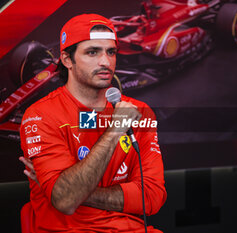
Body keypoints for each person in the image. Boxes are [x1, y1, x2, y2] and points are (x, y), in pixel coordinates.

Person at [20, 13, 167, 232]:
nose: (105, 62)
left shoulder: (138, 112)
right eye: (92, 52)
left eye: (111, 52)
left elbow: (152, 198)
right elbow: (66, 203)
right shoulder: (41, 115)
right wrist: (115, 130)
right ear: (67, 59)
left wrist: (72, 191)